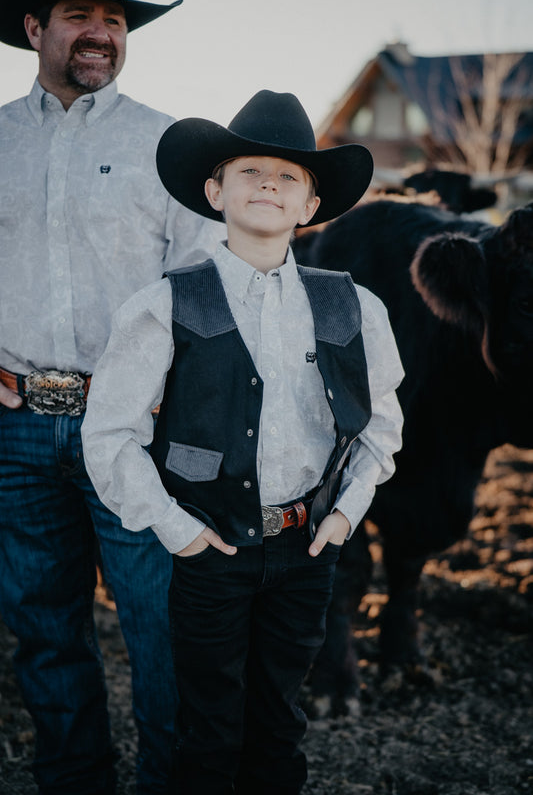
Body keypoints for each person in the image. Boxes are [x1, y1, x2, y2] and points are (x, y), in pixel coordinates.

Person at [81, 89, 404, 794]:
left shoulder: (351, 302)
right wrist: (176, 529)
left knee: (279, 721)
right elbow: (110, 434)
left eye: (289, 176)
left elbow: (381, 420)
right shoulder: (164, 303)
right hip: (209, 549)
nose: (268, 184)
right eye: (250, 170)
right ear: (213, 191)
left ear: (308, 207)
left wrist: (345, 513)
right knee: (209, 725)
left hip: (306, 549)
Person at [0, 0, 224, 794]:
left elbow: (203, 284)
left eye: (116, 20)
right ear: (34, 29)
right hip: (16, 429)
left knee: (160, 628)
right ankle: (73, 782)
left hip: (134, 429)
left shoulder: (168, 144)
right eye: (78, 14)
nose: (101, 33)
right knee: (44, 630)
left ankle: (173, 783)